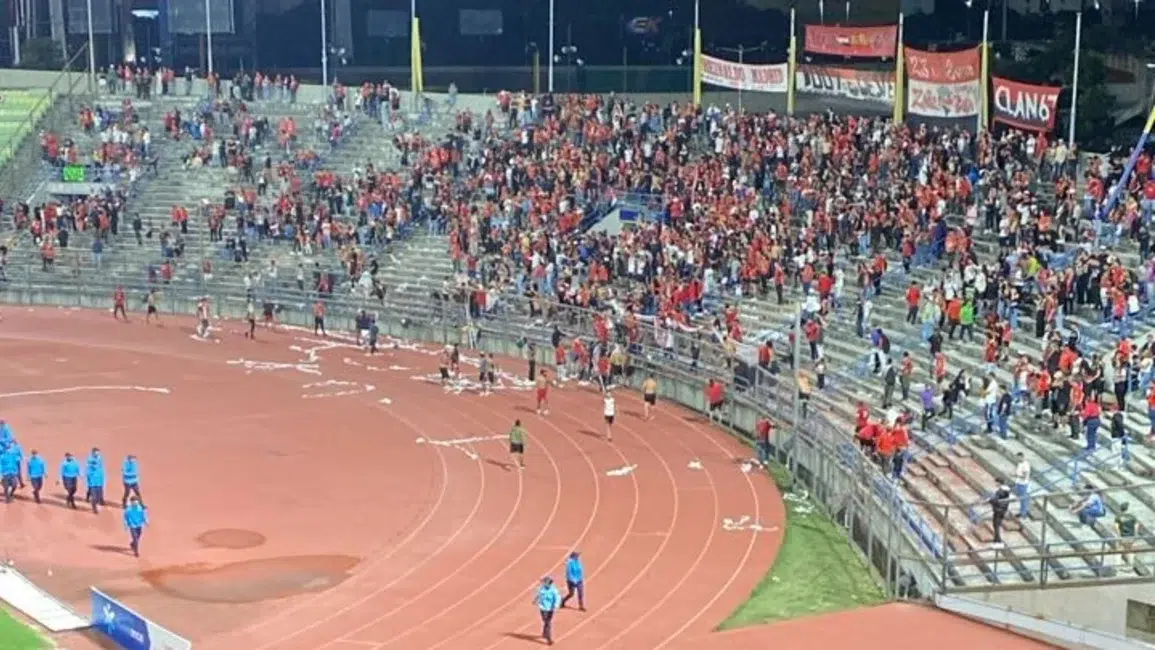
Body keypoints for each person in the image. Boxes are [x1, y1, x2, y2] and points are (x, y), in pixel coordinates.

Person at [534, 576, 561, 645]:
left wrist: (556, 605)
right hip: (543, 608)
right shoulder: (541, 589)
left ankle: (546, 636)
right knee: (546, 622)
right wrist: (535, 600)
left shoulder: (554, 590)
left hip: (550, 608)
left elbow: (557, 597)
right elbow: (538, 595)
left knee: (547, 622)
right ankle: (547, 636)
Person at [1116, 503, 1139, 572]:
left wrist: (1119, 536)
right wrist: (1135, 536)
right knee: (1130, 552)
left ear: (1121, 509)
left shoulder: (1118, 517)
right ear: (1127, 509)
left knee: (1118, 552)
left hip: (1122, 537)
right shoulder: (1133, 517)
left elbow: (1116, 527)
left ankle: (1117, 567)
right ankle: (1130, 567)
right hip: (1131, 537)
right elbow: (1136, 527)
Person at [989, 479, 1011, 548]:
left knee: (996, 525)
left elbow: (995, 500)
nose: (995, 484)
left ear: (999, 483)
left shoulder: (1000, 491)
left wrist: (990, 500)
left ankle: (998, 541)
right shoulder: (1006, 490)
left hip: (998, 510)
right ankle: (996, 541)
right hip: (1003, 509)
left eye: (996, 482)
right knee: (996, 525)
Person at [85, 447, 106, 513]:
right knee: (94, 498)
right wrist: (90, 482)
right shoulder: (90, 462)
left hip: (99, 483)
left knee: (98, 497)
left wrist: (102, 481)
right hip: (93, 483)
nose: (97, 453)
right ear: (93, 452)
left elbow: (102, 472)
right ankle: (94, 509)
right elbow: (88, 473)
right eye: (96, 452)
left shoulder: (100, 459)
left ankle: (93, 499)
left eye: (98, 452)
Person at [1013, 453, 1031, 519]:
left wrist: (1017, 475)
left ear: (1022, 457)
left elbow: (1025, 476)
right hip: (1019, 483)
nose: (1017, 459)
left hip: (1023, 484)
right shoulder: (1019, 463)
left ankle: (1024, 513)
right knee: (1021, 499)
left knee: (1023, 499)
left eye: (1018, 457)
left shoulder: (1025, 465)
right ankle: (1022, 512)